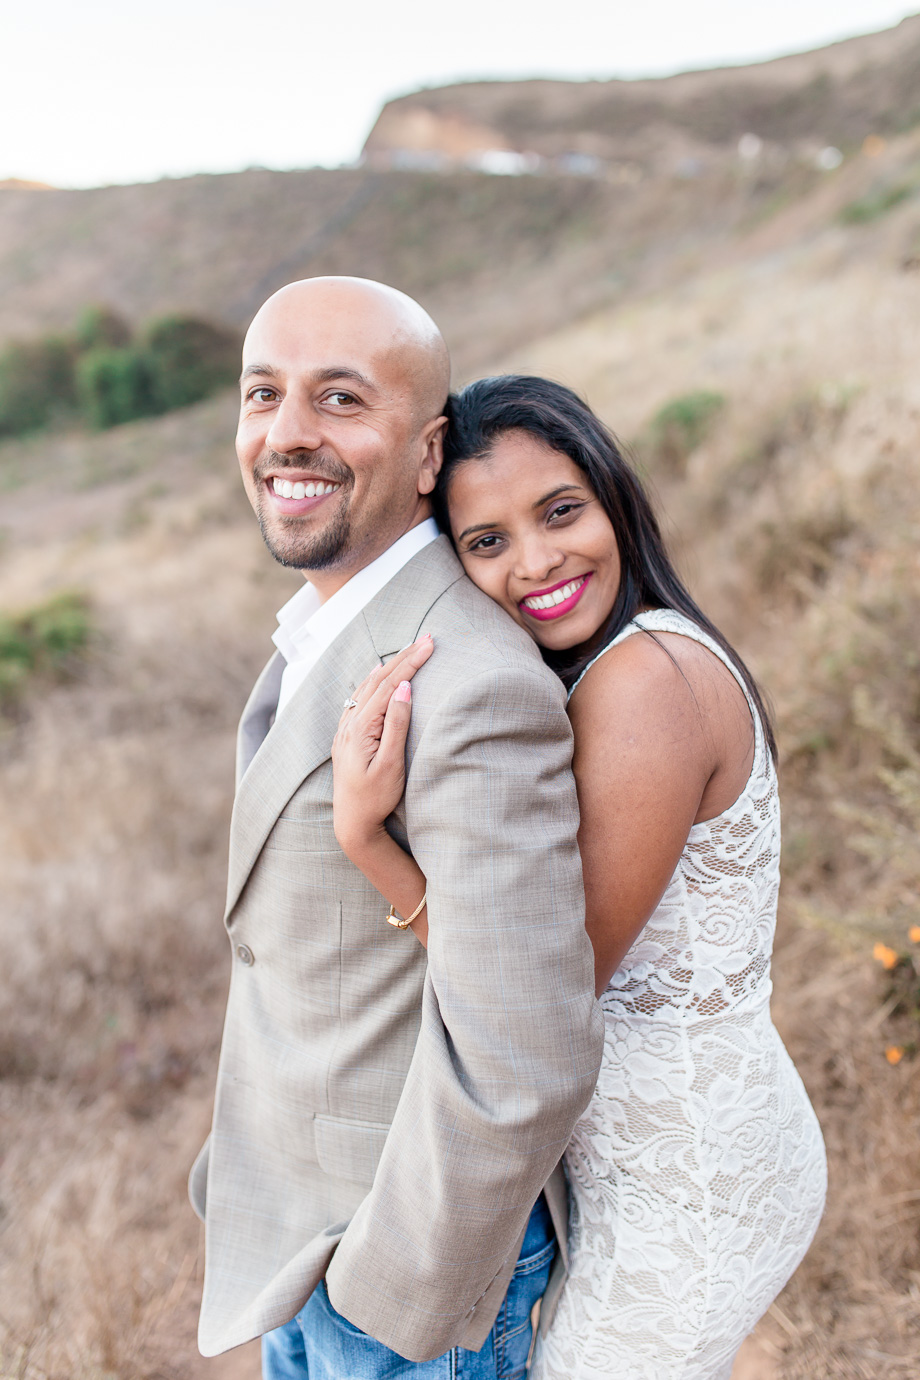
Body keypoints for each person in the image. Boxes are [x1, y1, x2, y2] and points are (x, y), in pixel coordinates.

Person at [332, 374, 828, 1379]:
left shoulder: (647, 679)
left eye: (559, 511)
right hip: (652, 1162)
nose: (537, 561)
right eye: (487, 542)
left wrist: (369, 843)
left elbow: (541, 992)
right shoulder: (613, 668)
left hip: (693, 1177)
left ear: (612, 495)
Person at [188, 279, 605, 1377]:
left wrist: (389, 1288)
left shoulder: (466, 682)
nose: (286, 433)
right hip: (301, 1246)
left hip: (398, 1290)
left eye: (338, 399)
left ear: (426, 455)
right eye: (262, 394)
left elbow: (526, 1053)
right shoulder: (330, 627)